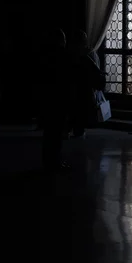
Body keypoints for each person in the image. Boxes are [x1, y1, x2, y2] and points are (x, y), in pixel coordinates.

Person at [39, 28, 71, 170]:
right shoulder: (63, 56)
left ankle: (48, 161)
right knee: (57, 133)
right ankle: (55, 161)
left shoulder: (46, 55)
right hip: (60, 100)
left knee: (49, 133)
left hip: (48, 99)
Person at [68, 29, 105, 138]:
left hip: (75, 87)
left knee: (75, 109)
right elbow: (95, 69)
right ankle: (79, 130)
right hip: (86, 88)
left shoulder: (72, 54)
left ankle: (74, 129)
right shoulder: (90, 53)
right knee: (82, 110)